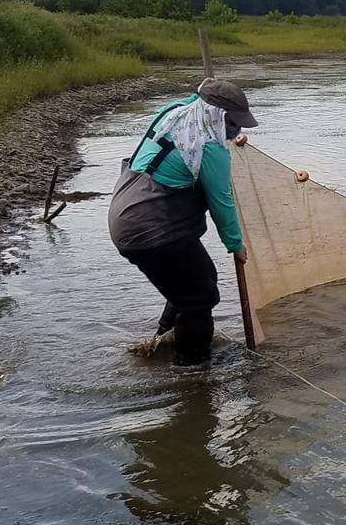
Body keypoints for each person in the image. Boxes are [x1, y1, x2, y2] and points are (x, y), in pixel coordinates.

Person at [109, 79, 257, 363]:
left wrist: (227, 135)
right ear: (216, 116)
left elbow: (197, 120)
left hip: (125, 211)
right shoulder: (210, 150)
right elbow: (221, 202)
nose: (235, 131)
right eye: (233, 125)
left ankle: (163, 341)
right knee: (200, 298)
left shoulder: (174, 112)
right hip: (153, 229)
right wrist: (235, 244)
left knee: (199, 279)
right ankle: (192, 372)